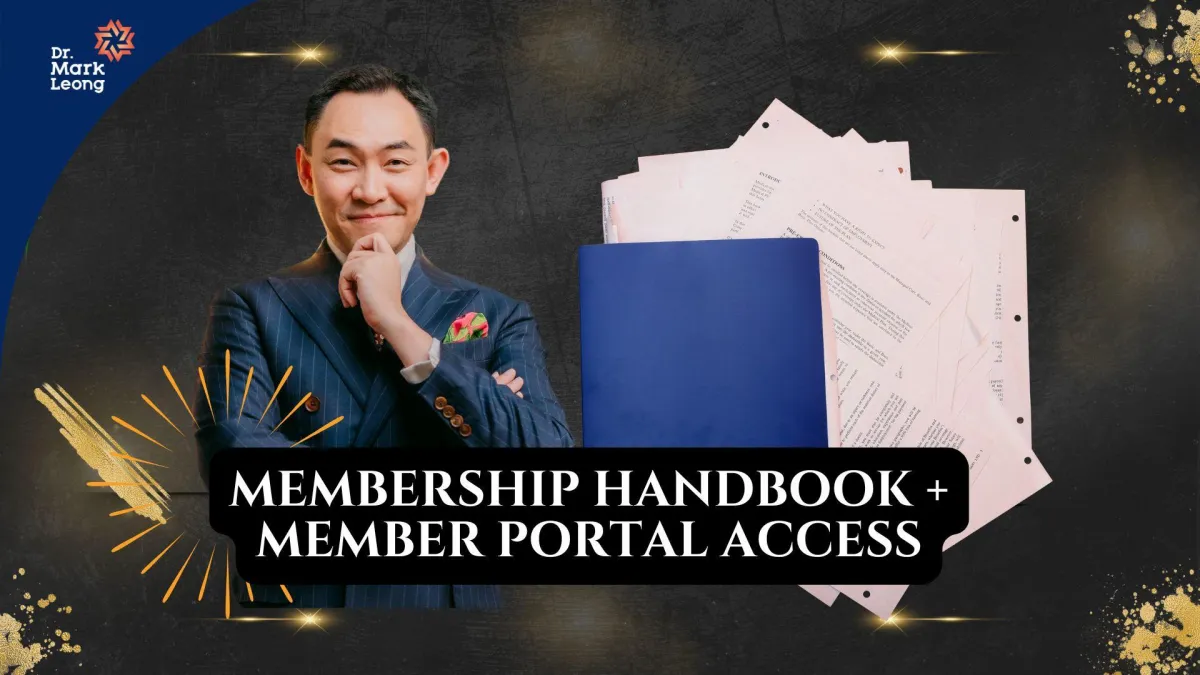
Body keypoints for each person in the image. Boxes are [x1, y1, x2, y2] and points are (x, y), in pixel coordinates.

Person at [194, 63, 573, 609]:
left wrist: (398, 323)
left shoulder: (497, 314)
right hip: (302, 626)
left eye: (396, 162)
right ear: (305, 171)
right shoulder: (252, 308)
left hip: (453, 629)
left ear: (432, 171)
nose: (371, 190)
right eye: (344, 163)